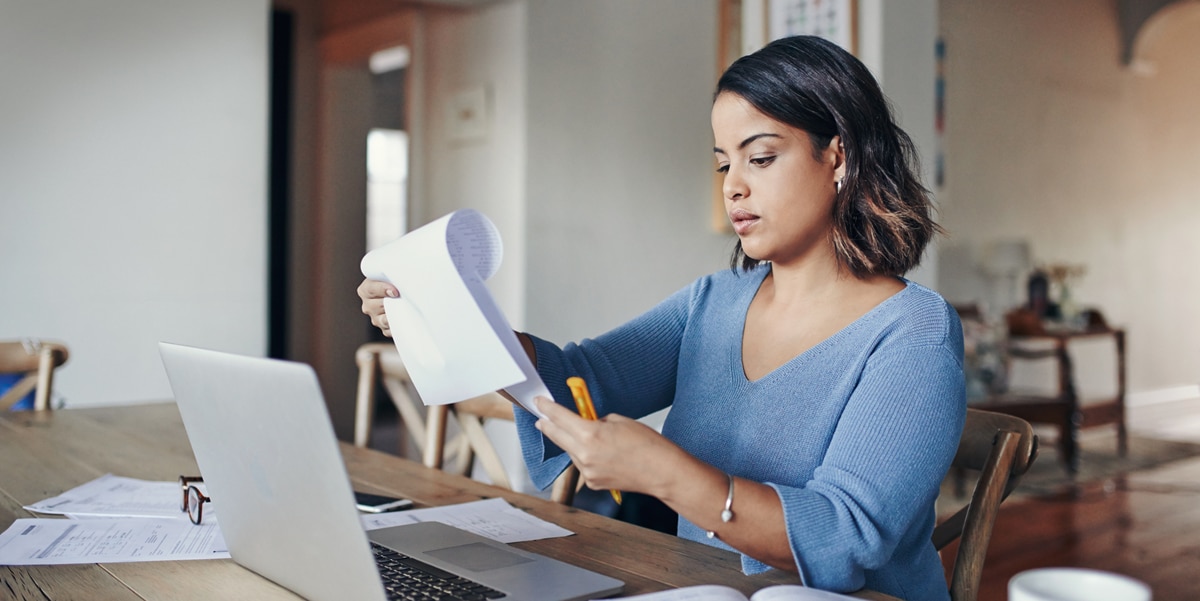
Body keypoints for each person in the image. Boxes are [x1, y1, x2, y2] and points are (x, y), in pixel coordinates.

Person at [359, 35, 965, 601]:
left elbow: (848, 536)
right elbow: (580, 379)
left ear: (838, 155)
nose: (733, 187)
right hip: (700, 587)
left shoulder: (913, 333)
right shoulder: (715, 302)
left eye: (760, 157)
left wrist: (668, 474)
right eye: (725, 163)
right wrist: (450, 319)